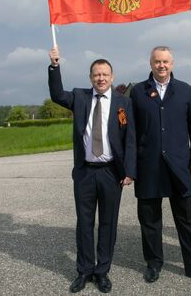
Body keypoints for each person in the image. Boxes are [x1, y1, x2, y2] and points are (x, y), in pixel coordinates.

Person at [48, 46, 136, 293]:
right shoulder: (80, 97)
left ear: (112, 77)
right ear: (90, 78)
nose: (101, 78)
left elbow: (130, 138)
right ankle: (84, 271)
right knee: (84, 223)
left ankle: (102, 272)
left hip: (111, 172)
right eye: (96, 74)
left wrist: (129, 170)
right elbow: (56, 95)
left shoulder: (123, 103)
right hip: (85, 172)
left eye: (105, 74)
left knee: (108, 223)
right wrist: (55, 66)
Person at [129, 46, 191, 285]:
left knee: (186, 219)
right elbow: (131, 132)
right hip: (148, 166)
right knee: (149, 219)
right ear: (150, 63)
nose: (161, 65)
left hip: (179, 165)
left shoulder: (184, 90)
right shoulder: (138, 92)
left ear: (172, 63)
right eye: (157, 61)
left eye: (165, 61)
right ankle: (154, 263)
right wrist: (131, 166)